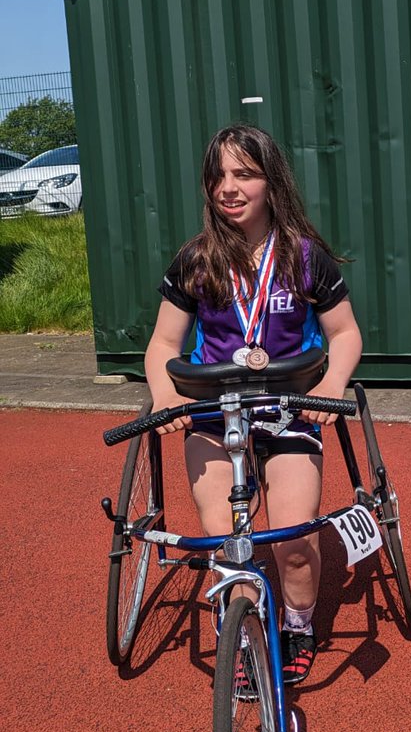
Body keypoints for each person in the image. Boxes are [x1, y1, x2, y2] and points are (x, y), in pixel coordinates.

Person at [144, 124, 363, 686]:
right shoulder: (195, 260)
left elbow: (344, 335)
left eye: (244, 174)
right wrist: (165, 394)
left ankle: (296, 623)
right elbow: (163, 345)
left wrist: (331, 385)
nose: (229, 187)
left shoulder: (306, 257)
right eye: (218, 175)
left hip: (289, 411)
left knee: (292, 540)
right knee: (226, 540)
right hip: (216, 417)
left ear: (272, 182)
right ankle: (241, 629)